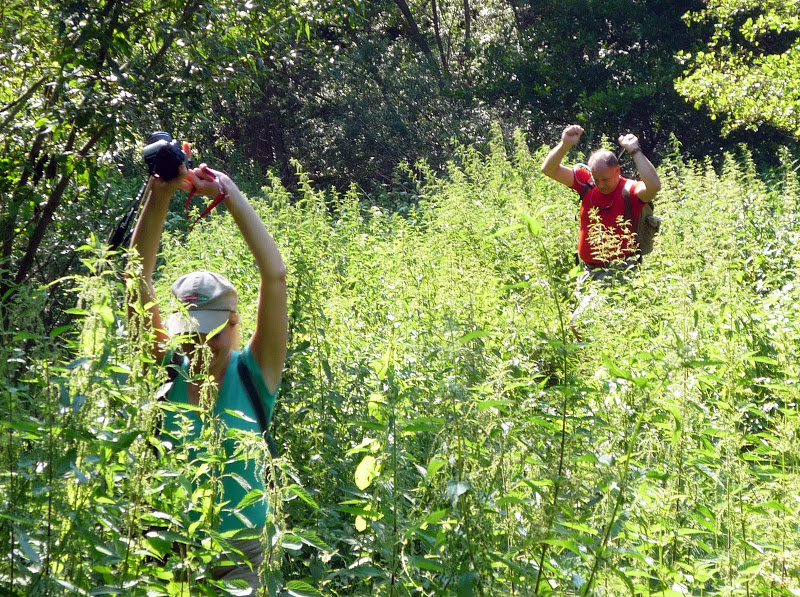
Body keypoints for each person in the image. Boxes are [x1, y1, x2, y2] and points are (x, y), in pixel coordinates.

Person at [127, 142, 288, 590]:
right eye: (189, 333)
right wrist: (160, 193)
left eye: (211, 332)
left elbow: (275, 275)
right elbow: (136, 279)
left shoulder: (254, 373)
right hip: (167, 548)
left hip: (243, 553)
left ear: (235, 322)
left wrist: (228, 193)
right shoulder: (164, 369)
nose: (199, 345)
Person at [540, 124, 661, 282]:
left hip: (621, 272)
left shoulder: (630, 191)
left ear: (617, 170)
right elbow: (548, 170)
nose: (601, 185)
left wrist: (635, 151)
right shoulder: (586, 183)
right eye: (596, 179)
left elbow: (654, 186)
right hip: (587, 271)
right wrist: (565, 144)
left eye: (605, 179)